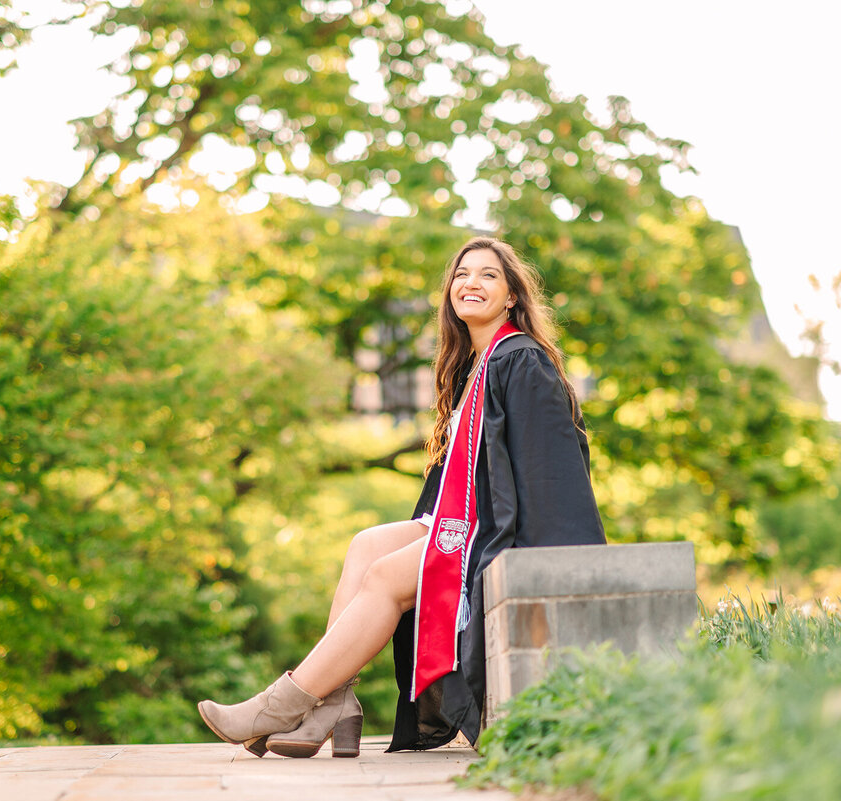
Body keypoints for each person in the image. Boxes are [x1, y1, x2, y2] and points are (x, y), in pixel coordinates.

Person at [198, 236, 606, 758]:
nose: (470, 283)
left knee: (386, 576)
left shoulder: (522, 361)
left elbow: (552, 471)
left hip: (508, 531)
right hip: (465, 518)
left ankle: (280, 703)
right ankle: (335, 704)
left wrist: (556, 557)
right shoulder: (473, 369)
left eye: (487, 275)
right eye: (461, 275)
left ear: (511, 297)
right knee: (368, 544)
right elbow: (452, 484)